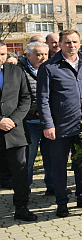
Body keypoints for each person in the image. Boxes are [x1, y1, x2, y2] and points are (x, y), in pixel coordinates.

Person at [37, 30, 82, 217]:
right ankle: (62, 203)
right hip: (60, 126)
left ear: (79, 43)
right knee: (59, 166)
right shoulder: (49, 67)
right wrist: (48, 124)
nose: (72, 45)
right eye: (67, 42)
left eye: (75, 42)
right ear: (60, 44)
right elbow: (43, 99)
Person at [0, 41, 35, 221]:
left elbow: (26, 98)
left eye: (3, 54)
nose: (1, 58)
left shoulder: (16, 71)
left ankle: (21, 207)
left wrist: (12, 120)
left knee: (20, 172)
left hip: (15, 131)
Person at [19, 41, 50, 195]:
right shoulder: (19, 71)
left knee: (51, 158)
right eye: (38, 54)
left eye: (45, 54)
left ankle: (52, 187)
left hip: (49, 122)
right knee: (28, 160)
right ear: (28, 55)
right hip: (29, 122)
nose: (43, 57)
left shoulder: (52, 69)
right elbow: (20, 97)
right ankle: (26, 190)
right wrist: (36, 110)